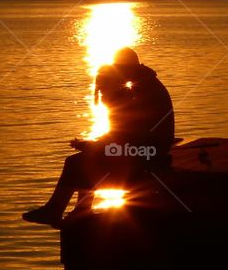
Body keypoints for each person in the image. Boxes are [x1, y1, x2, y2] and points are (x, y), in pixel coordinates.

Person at [22, 47, 176, 227]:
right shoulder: (144, 85)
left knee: (75, 163)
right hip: (149, 151)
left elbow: (127, 136)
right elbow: (124, 133)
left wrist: (96, 145)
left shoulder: (138, 92)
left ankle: (56, 210)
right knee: (88, 158)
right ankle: (80, 210)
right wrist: (96, 144)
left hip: (146, 156)